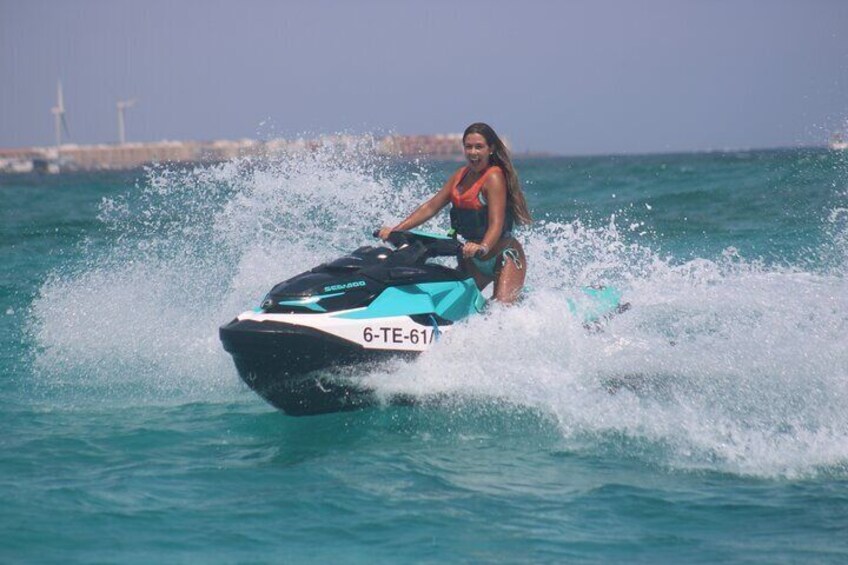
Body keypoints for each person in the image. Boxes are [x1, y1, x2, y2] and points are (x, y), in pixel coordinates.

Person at [379, 122, 532, 303]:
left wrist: (482, 247)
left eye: (479, 147)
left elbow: (496, 224)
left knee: (501, 313)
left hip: (502, 256)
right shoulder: (461, 175)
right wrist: (397, 230)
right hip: (472, 259)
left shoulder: (494, 177)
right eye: (468, 147)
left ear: (490, 149)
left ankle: (527, 314)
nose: (473, 152)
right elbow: (431, 206)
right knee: (459, 306)